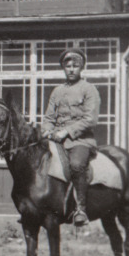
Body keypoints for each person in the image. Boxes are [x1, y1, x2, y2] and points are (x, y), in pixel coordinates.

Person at [41, 48, 101, 227]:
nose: (72, 69)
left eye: (75, 66)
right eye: (68, 66)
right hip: (55, 139)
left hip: (80, 140)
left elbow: (90, 119)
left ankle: (80, 209)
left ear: (81, 67)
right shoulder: (57, 91)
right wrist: (46, 130)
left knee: (76, 165)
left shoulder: (89, 89)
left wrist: (66, 132)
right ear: (63, 68)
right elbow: (49, 118)